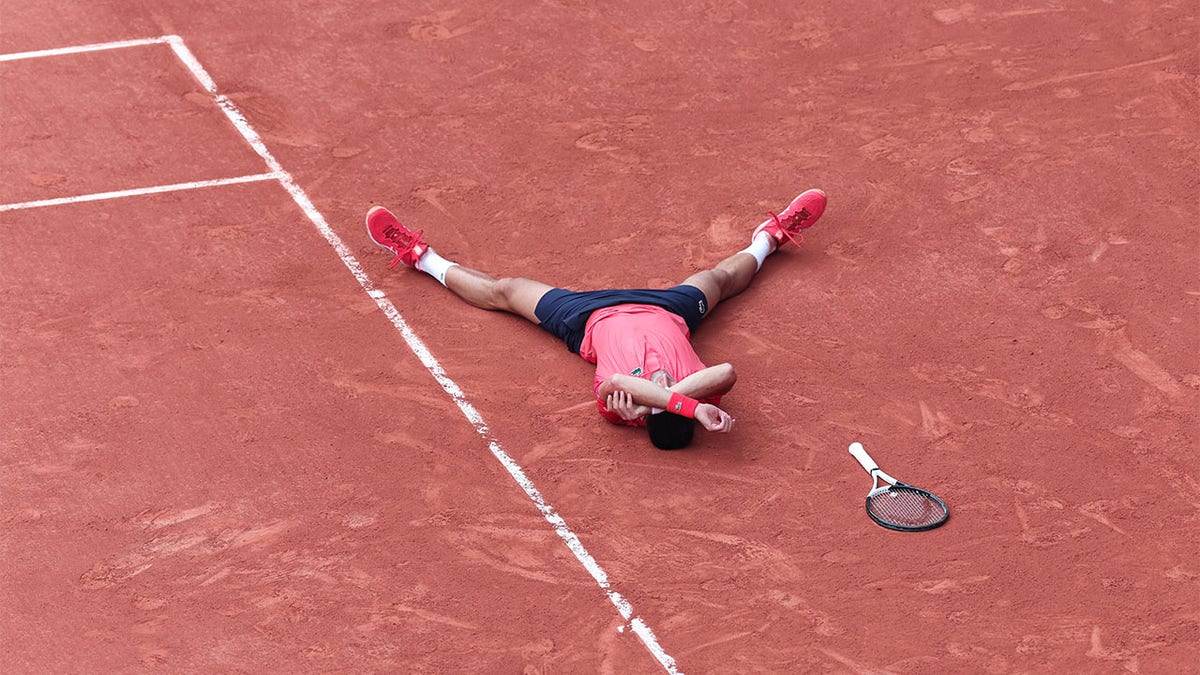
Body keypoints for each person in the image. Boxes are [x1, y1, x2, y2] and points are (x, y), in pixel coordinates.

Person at [366, 189, 827, 449]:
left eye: (662, 400)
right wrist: (691, 402)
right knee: (719, 278)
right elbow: (725, 372)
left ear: (649, 413)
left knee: (504, 291)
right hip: (670, 309)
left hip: (585, 318)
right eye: (676, 396)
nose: (669, 388)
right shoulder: (697, 387)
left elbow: (620, 391)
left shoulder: (621, 405)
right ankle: (770, 237)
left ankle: (418, 256)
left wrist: (664, 403)